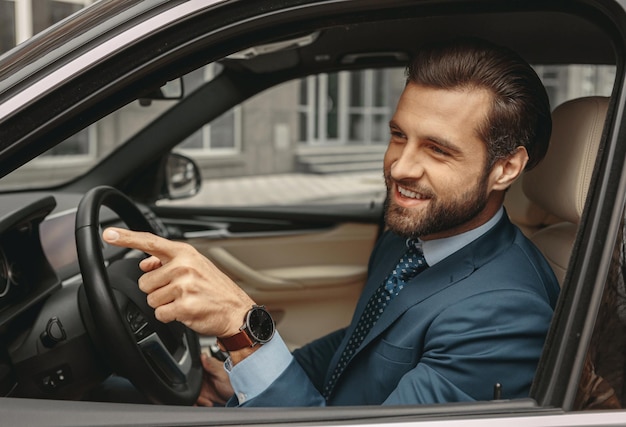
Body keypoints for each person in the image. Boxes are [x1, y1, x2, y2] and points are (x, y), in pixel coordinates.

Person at [102, 37, 559, 406]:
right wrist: (244, 370)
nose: (400, 168)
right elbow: (360, 349)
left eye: (438, 150)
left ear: (505, 169)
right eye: (399, 136)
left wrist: (243, 330)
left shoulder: (506, 316)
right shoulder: (416, 238)